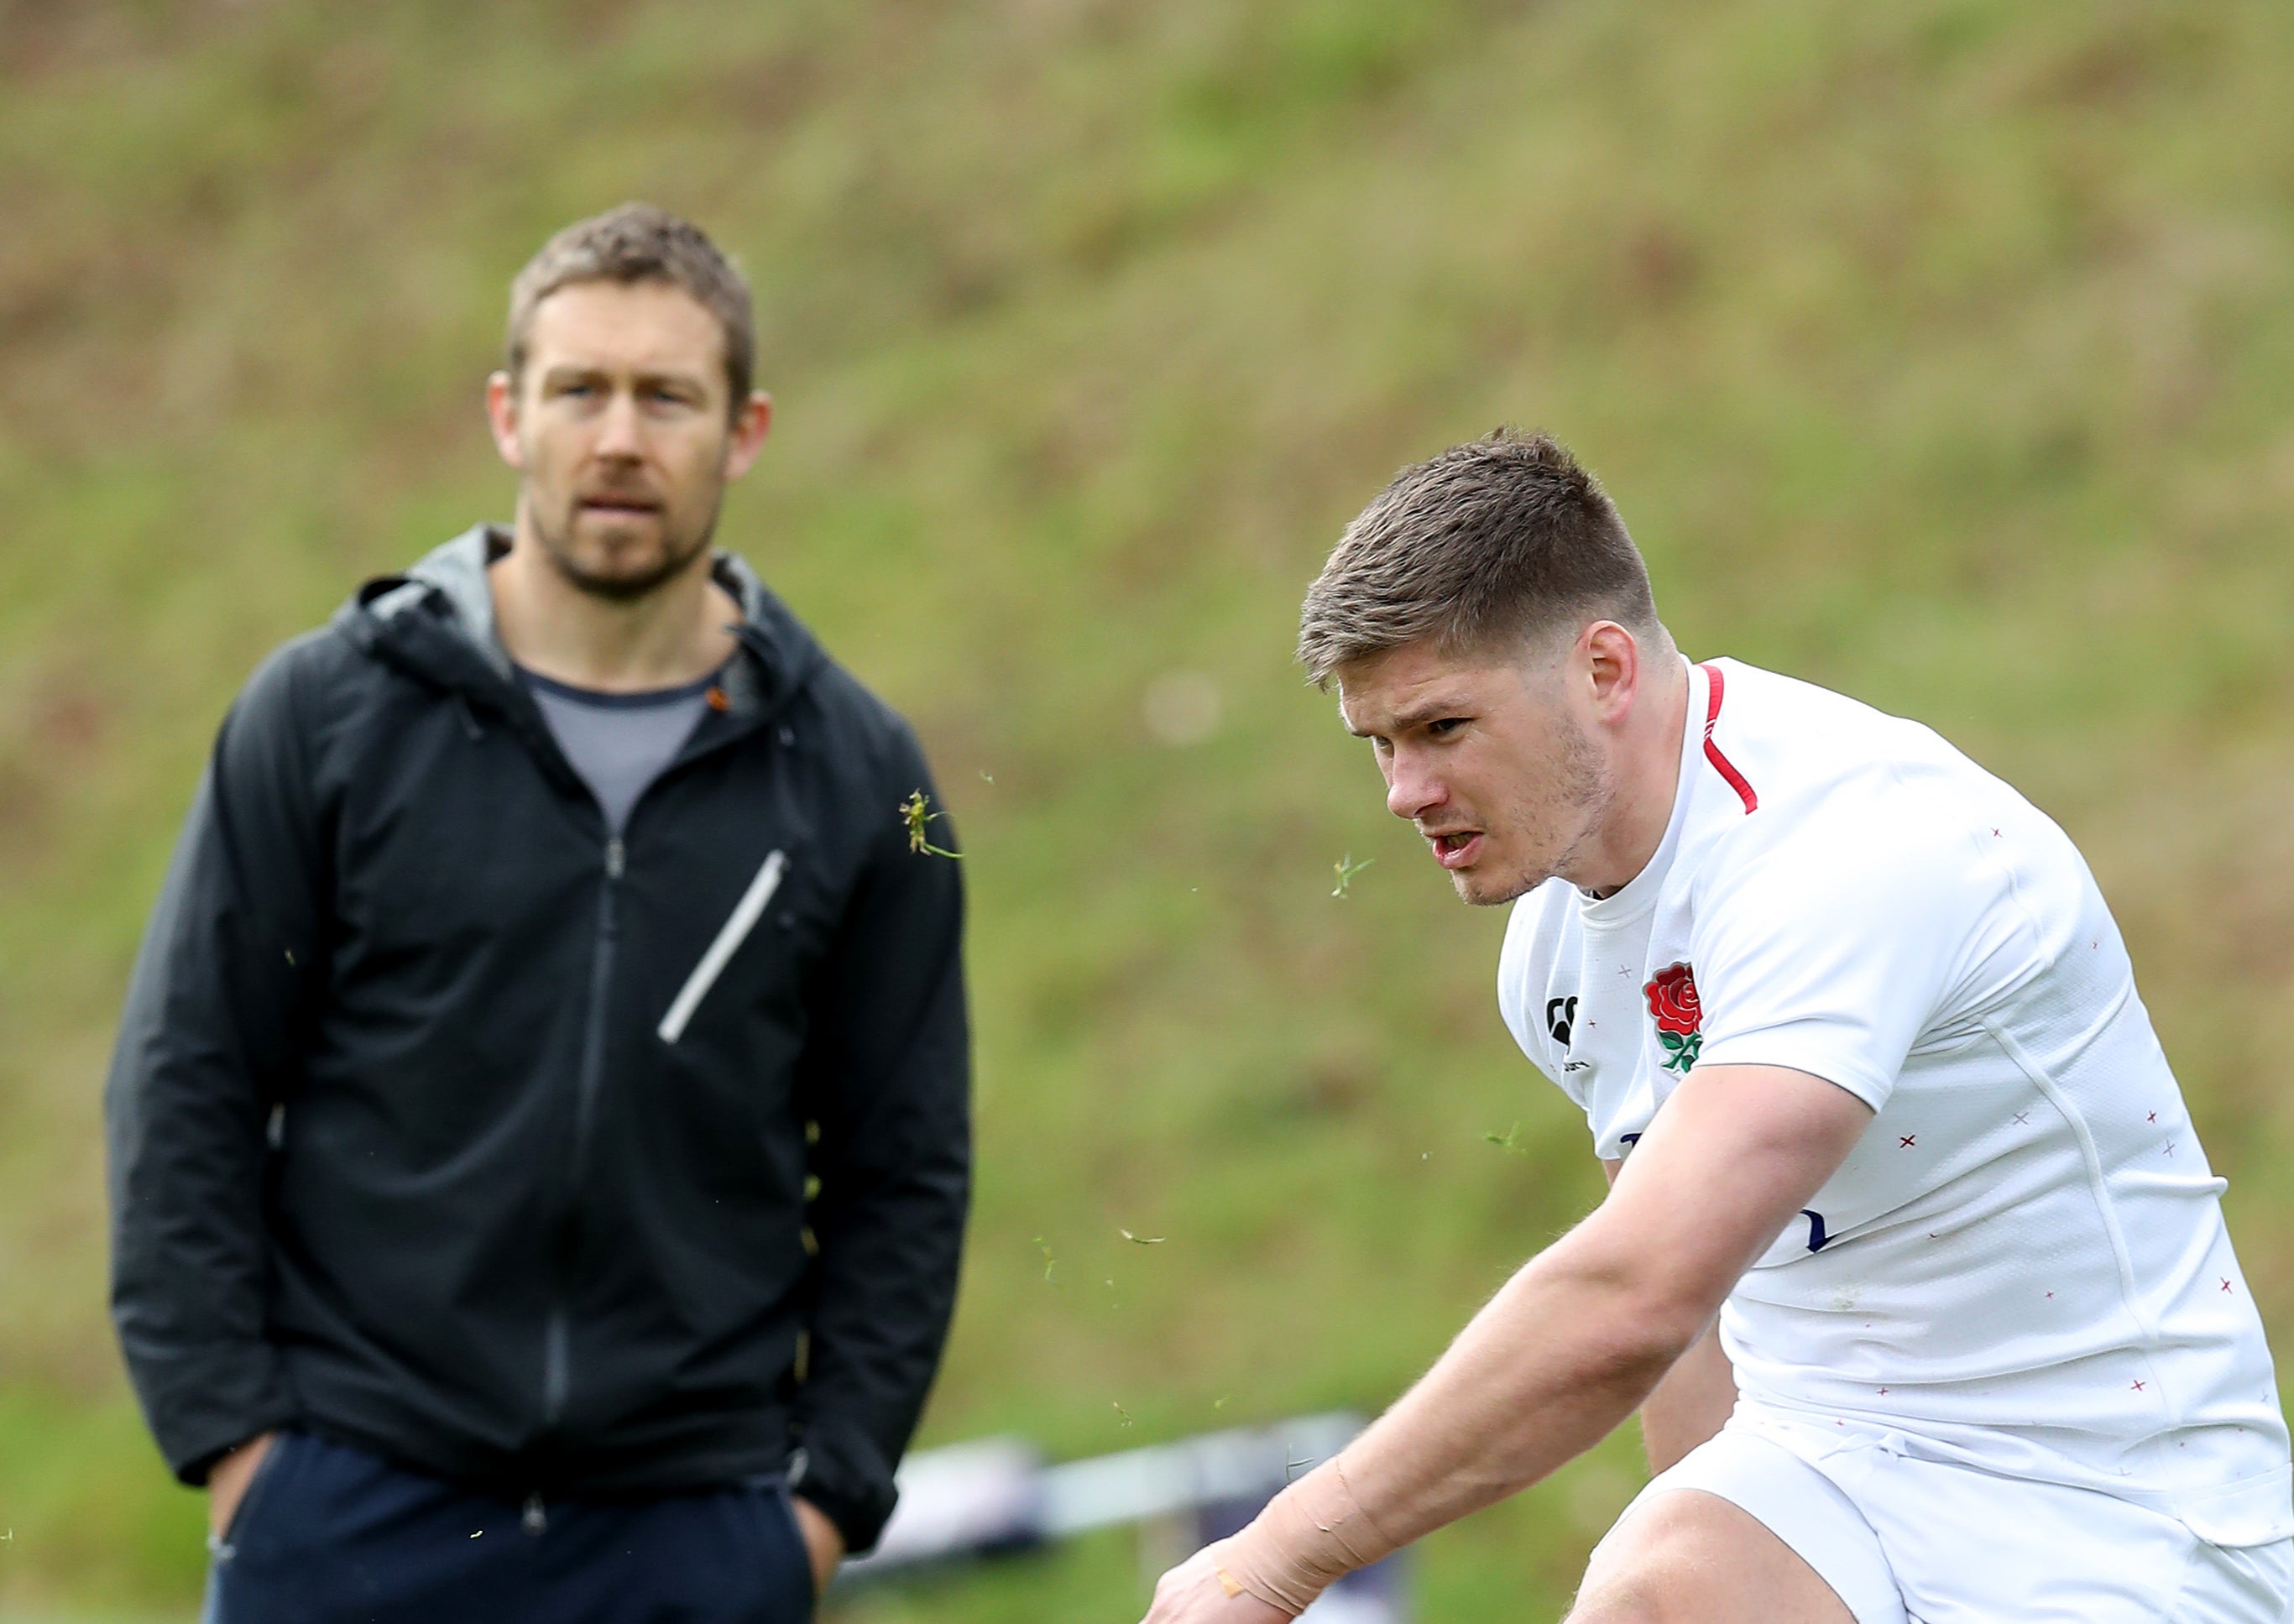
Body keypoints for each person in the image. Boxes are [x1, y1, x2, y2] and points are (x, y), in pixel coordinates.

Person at [1143, 431, 2291, 1623]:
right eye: (1377, 744)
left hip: (2115, 1520)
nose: (1401, 792)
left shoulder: (1845, 849)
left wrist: (1272, 1557)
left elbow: (1632, 1294)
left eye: (1440, 729)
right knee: (1653, 1587)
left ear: (1601, 671)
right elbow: (1689, 1332)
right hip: (1829, 1470)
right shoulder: (1550, 942)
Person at [106, 204, 971, 1624]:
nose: (618, 438)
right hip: (347, 1515)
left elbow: (907, 1166)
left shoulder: (865, 781)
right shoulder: (323, 719)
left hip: (697, 1538)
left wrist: (821, 1505)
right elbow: (183, 1084)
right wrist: (239, 1451)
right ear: (510, 416)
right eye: (580, 390)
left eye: (665, 397)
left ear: (742, 432)